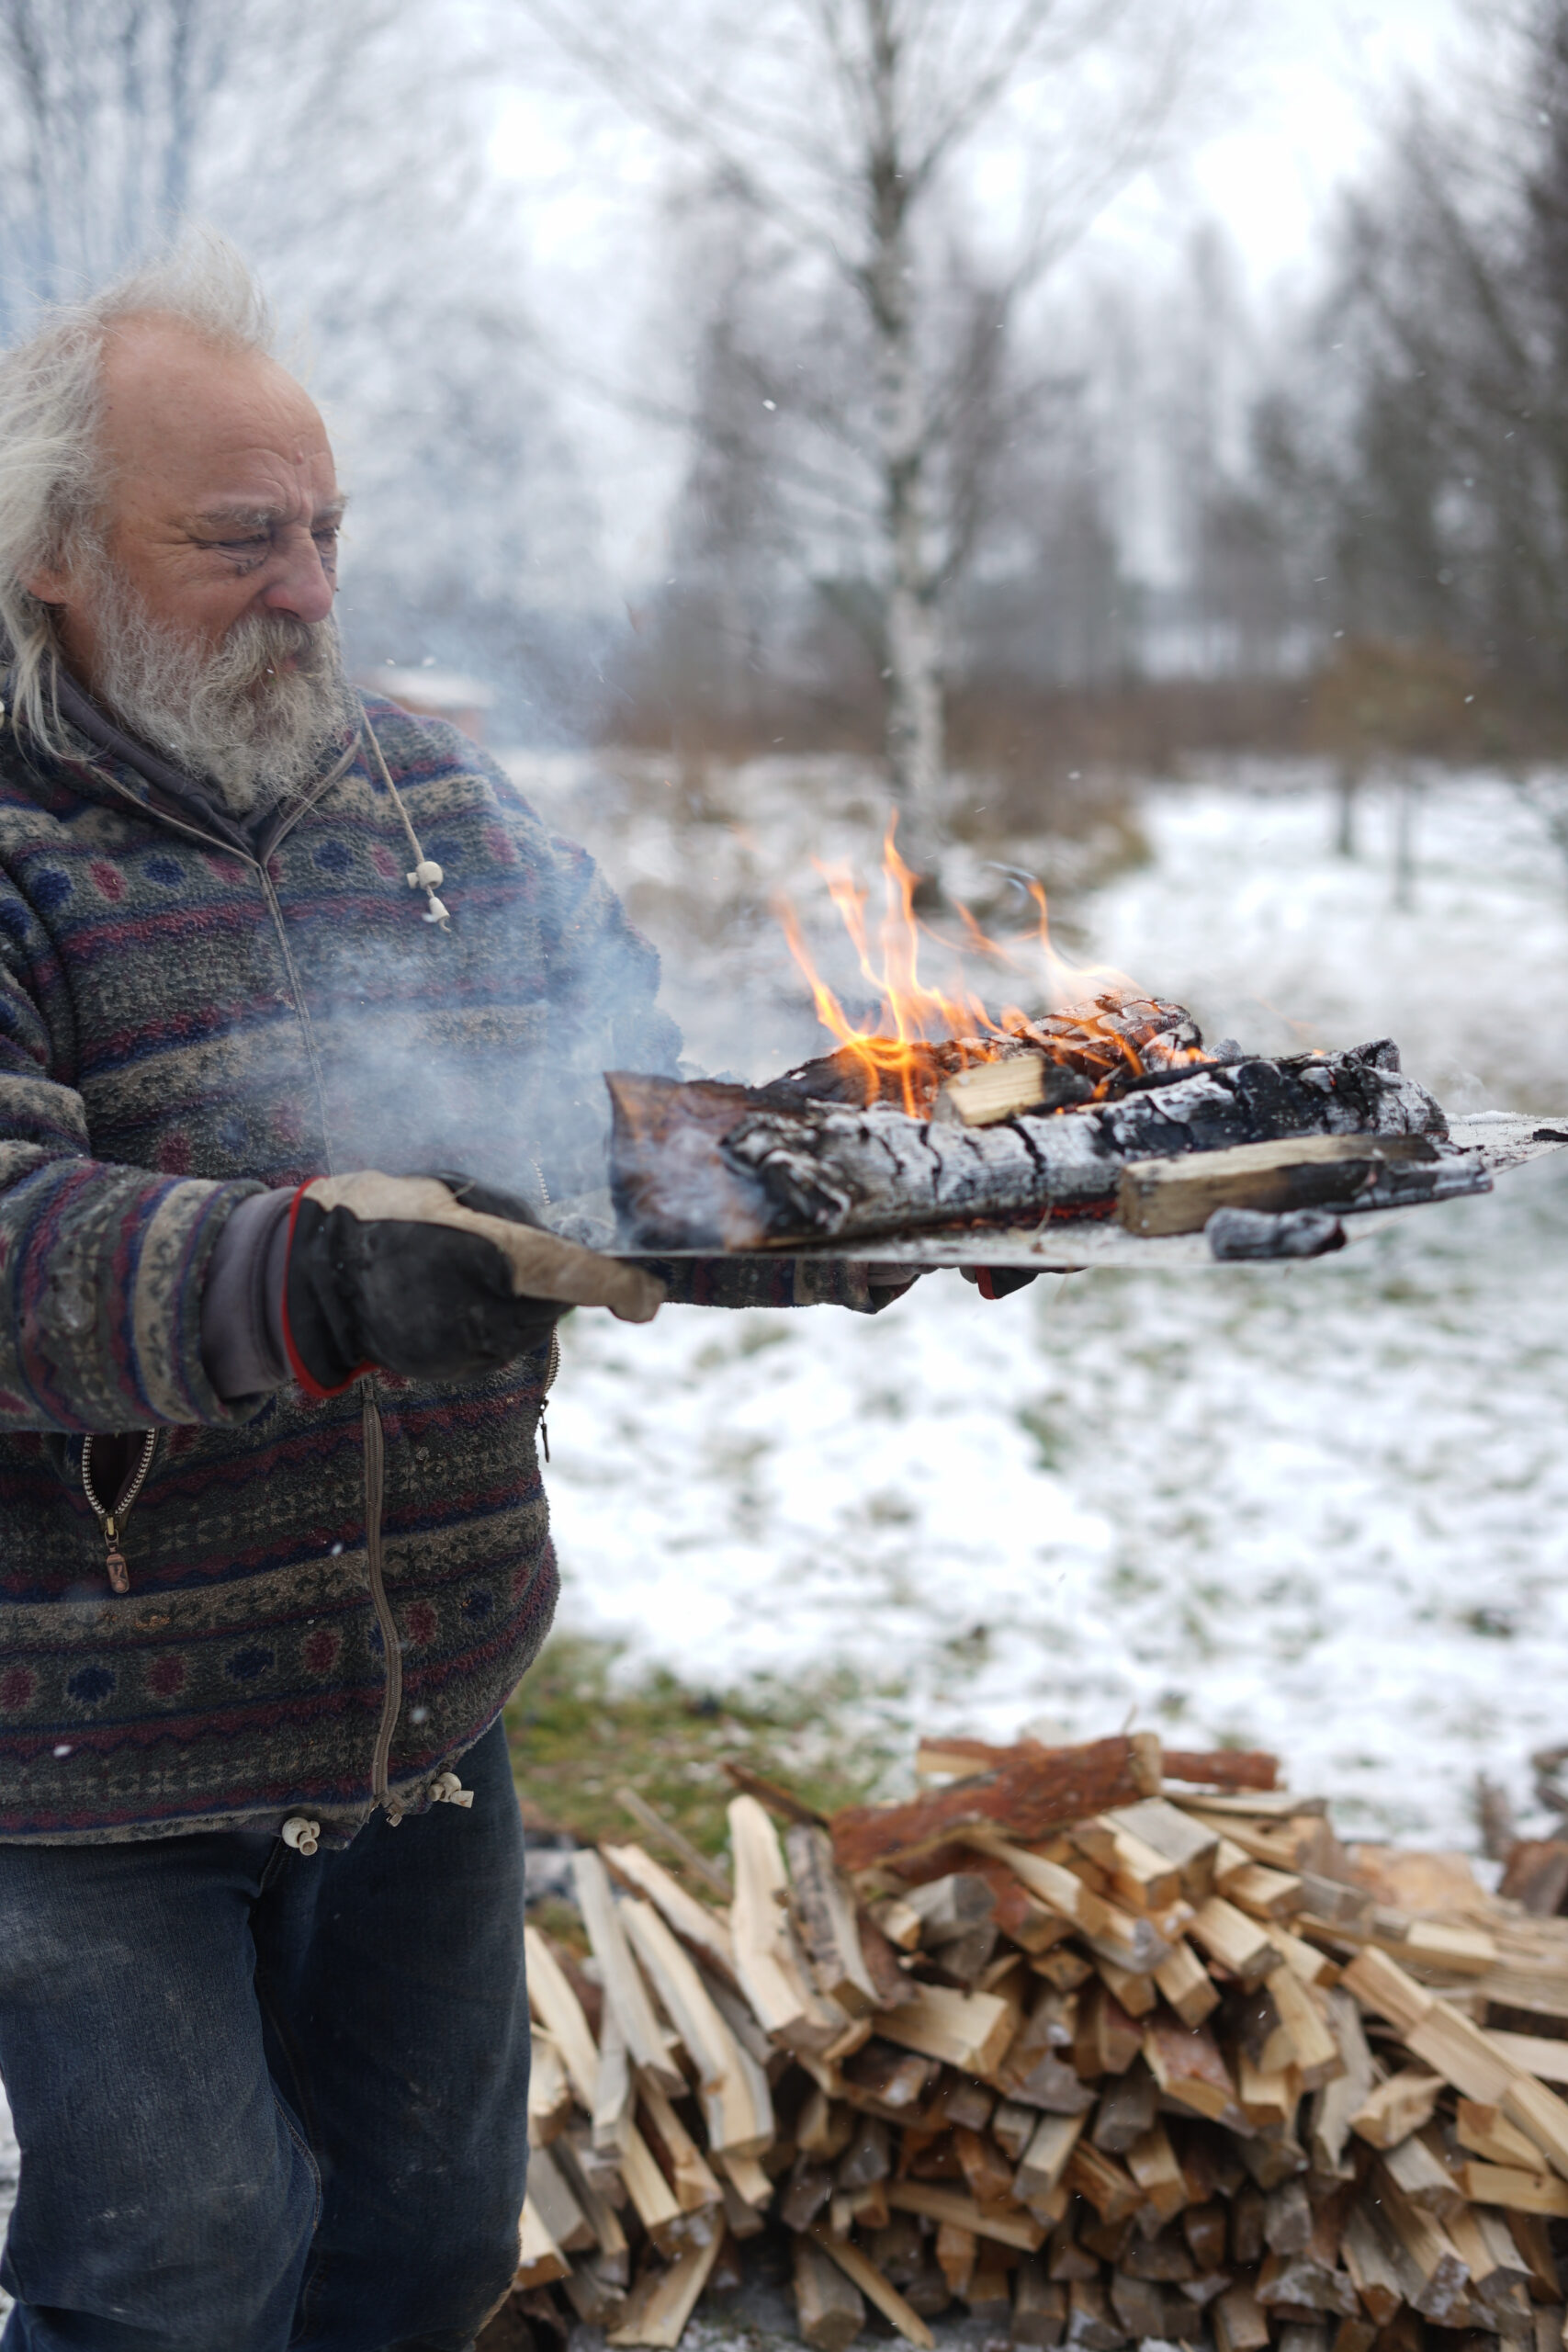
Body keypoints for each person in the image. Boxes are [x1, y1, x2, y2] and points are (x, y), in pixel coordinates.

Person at [0, 233, 926, 2352]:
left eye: (326, 530)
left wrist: (849, 1199)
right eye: (239, 538)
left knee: (418, 2252)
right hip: (80, 1753)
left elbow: (605, 1113)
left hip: (427, 1695)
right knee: (175, 2270)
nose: (315, 590)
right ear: (58, 550)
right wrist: (309, 1274)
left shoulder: (424, 801)